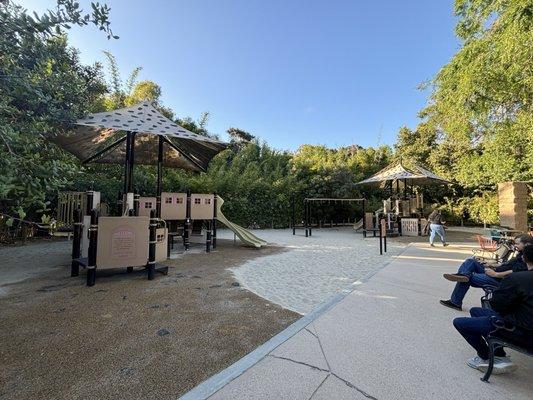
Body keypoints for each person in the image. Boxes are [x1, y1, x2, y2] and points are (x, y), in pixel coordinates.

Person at [452, 244, 533, 374]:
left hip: (520, 331)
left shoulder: (518, 279)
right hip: (522, 325)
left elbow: (497, 305)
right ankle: (499, 353)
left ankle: (487, 357)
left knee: (460, 323)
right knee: (475, 311)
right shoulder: (520, 277)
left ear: (524, 258)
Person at [440, 234, 533, 311]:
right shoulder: (521, 253)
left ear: (527, 244)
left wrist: (496, 274)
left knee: (470, 278)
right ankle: (464, 274)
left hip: (500, 279)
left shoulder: (529, 256)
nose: (515, 246)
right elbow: (506, 265)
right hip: (495, 272)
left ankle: (455, 301)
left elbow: (516, 273)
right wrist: (490, 265)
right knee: (471, 261)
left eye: (517, 243)